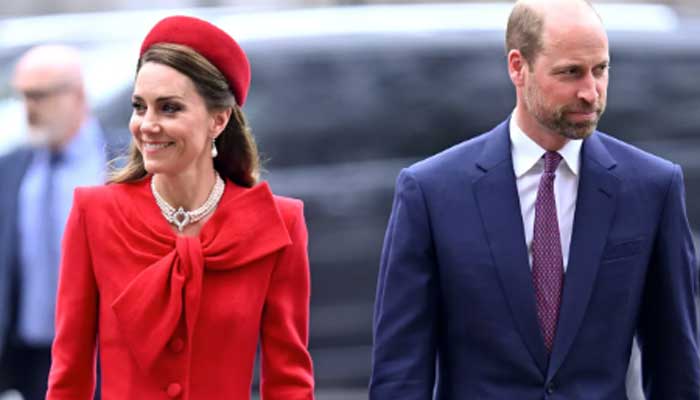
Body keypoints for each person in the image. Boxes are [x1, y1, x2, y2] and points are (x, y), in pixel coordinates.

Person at [370, 0, 700, 398]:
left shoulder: (651, 187)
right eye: (569, 73)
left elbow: (676, 364)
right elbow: (401, 371)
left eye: (601, 70)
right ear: (517, 67)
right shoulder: (432, 192)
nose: (589, 92)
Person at [45, 16, 314, 400]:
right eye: (140, 107)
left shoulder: (277, 223)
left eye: (169, 109)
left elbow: (289, 381)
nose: (147, 125)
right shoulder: (95, 214)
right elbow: (68, 376)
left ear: (218, 120)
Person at [0, 45, 110, 400]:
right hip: (31, 353)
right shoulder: (13, 167)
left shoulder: (120, 163)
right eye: (24, 96)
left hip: (101, 351)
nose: (30, 108)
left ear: (77, 94)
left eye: (41, 95)